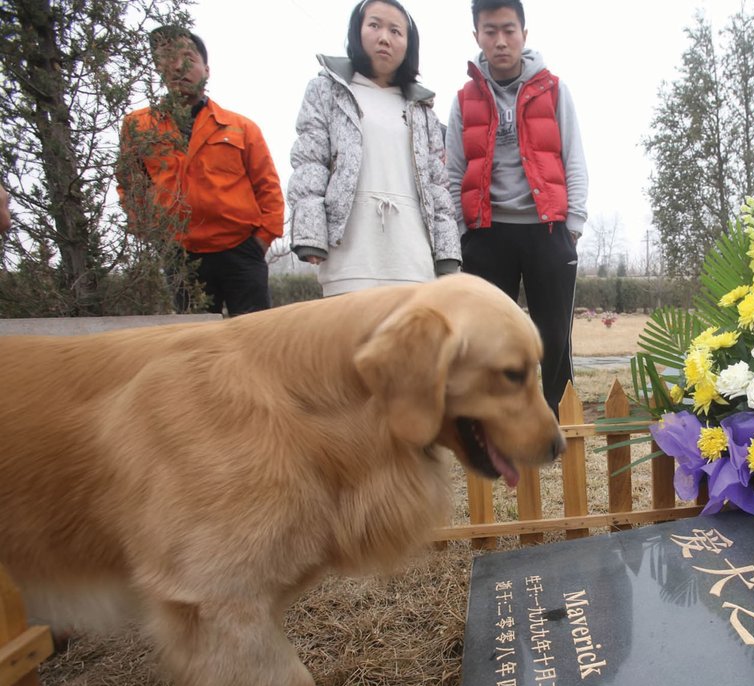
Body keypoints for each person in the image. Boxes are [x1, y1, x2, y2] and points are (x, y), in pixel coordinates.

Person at [446, 0, 588, 414]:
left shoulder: (554, 90)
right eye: (490, 31)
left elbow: (574, 157)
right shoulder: (463, 100)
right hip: (486, 233)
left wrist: (572, 224)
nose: (501, 41)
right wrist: (462, 231)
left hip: (547, 230)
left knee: (554, 337)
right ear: (477, 37)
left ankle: (560, 424)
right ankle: (500, 424)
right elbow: (454, 169)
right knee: (491, 339)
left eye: (509, 30)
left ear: (524, 34)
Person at [288, 0, 461, 297]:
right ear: (357, 32)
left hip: (411, 252)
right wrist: (311, 234)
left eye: (396, 31)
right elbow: (310, 161)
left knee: (411, 341)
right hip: (351, 250)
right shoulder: (328, 90)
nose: (384, 37)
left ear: (409, 44)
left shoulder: (422, 108)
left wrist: (446, 253)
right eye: (375, 25)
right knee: (350, 341)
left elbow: (437, 185)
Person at [118, 26, 284, 315]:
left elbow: (268, 187)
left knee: (257, 341)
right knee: (194, 344)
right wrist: (153, 236)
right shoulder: (139, 126)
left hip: (241, 251)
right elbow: (130, 185)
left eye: (189, 58)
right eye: (168, 58)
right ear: (158, 68)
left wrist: (261, 241)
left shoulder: (241, 127)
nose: (179, 66)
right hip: (181, 256)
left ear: (206, 70)